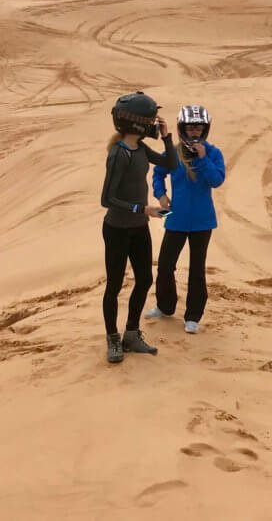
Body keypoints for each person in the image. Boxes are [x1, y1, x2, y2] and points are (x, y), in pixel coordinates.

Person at [100, 91, 177, 363]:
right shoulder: (120, 155)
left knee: (144, 279)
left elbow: (171, 163)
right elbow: (107, 199)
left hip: (139, 227)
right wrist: (142, 209)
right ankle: (113, 338)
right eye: (151, 121)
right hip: (118, 229)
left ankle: (131, 334)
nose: (153, 125)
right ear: (136, 123)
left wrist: (167, 137)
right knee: (115, 284)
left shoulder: (142, 149)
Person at [147, 104, 226, 334]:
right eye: (190, 127)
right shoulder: (173, 152)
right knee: (164, 265)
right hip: (176, 219)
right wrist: (160, 194)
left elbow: (216, 180)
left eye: (199, 128)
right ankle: (164, 306)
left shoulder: (213, 153)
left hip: (203, 221)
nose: (194, 132)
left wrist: (202, 159)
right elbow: (158, 173)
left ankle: (193, 316)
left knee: (197, 270)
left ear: (205, 129)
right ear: (183, 128)